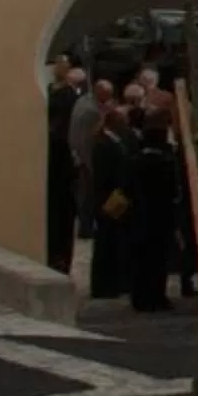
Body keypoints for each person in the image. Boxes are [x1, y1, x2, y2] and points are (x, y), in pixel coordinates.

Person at [122, 109, 182, 313]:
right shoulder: (166, 162)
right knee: (158, 258)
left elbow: (126, 188)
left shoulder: (134, 161)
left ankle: (140, 296)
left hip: (139, 215)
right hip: (161, 216)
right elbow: (173, 190)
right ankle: (156, 295)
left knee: (140, 258)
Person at [85, 98, 133, 303]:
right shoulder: (105, 145)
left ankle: (112, 282)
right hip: (108, 199)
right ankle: (104, 285)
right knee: (107, 242)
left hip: (110, 198)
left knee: (112, 242)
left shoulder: (110, 142)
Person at [43, 55, 82, 273]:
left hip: (62, 158)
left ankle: (61, 257)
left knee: (63, 210)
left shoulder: (69, 95)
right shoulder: (50, 91)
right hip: (52, 156)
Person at [67, 77, 112, 243]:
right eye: (107, 96)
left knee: (83, 193)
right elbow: (88, 138)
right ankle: (86, 228)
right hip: (86, 157)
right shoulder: (92, 111)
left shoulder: (81, 101)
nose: (108, 99)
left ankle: (85, 227)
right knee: (88, 195)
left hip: (77, 153)